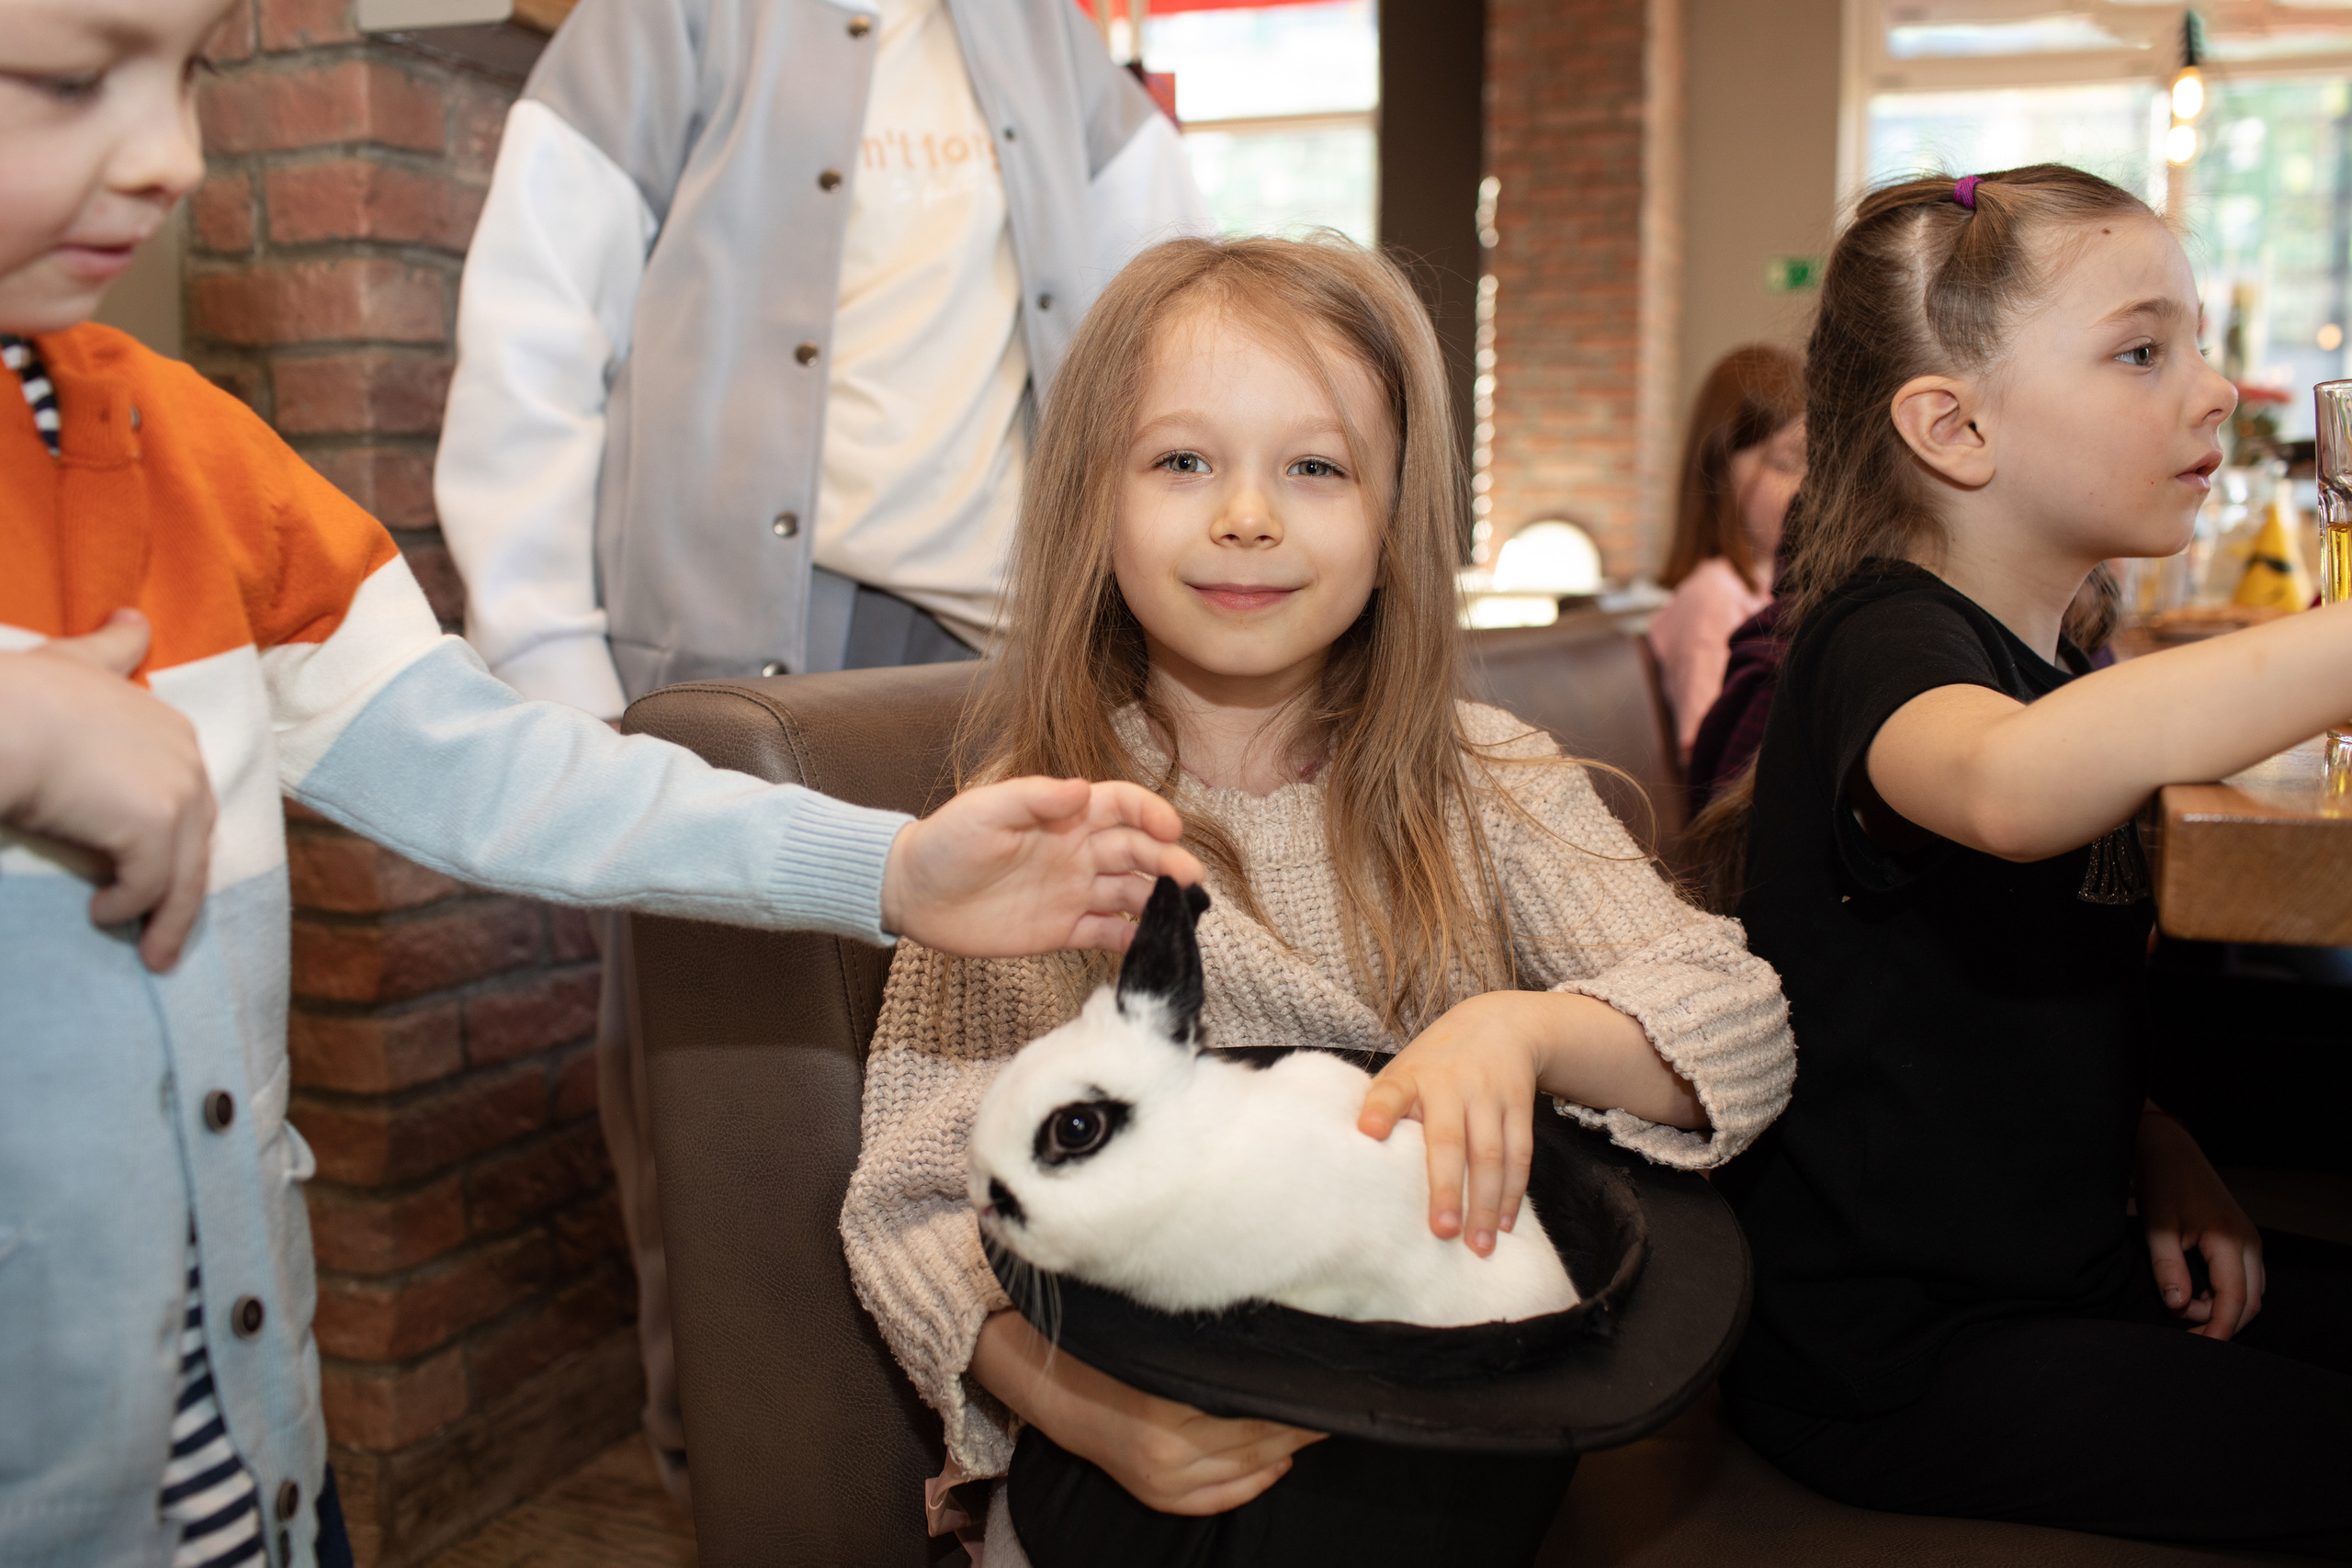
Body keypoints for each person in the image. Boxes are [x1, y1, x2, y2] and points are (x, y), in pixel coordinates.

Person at [0, 5, 1204, 1562]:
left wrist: (893, 869)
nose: (170, 155)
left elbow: (492, 766)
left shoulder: (197, 468)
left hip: (237, 1465)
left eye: (191, 71)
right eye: (70, 79)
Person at [837, 234, 1797, 1567]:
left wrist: (1519, 1029)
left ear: (1397, 516)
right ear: (1091, 499)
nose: (1248, 514)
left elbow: (1736, 1021)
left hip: (1436, 1424)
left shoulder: (1490, 783)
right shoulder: (1043, 822)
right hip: (1139, 1423)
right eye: (1183, 460)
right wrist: (1096, 1412)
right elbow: (916, 1199)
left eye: (1316, 466)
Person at [433, 0, 1209, 1491]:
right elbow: (536, 329)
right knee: (734, 1132)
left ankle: (1001, 1475)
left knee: (1009, 1100)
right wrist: (553, 666)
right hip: (740, 677)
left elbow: (1164, 340)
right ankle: (746, 1481)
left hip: (1003, 678)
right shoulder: (666, 24)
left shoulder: (1054, 48)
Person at [1714, 164, 2352, 1555]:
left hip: (2071, 1263)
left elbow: (2010, 989)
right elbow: (2005, 790)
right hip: (1897, 1354)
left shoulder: (2063, 655)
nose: (2215, 391)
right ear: (1955, 425)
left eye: (2195, 341)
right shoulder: (1880, 633)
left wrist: (2155, 1133)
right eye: (2142, 350)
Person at [1645, 344, 1804, 762]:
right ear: (1719, 472)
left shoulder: (1781, 585)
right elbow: (1708, 759)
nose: (1809, 487)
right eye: (1787, 463)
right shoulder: (1714, 595)